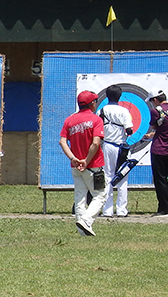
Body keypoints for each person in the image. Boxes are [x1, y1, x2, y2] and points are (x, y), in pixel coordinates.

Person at [59, 90, 106, 236]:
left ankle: (82, 231)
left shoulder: (70, 120)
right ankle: (86, 221)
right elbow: (96, 142)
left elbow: (62, 141)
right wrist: (86, 160)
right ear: (92, 104)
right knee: (100, 195)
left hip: (76, 166)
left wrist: (73, 158)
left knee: (80, 196)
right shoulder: (96, 120)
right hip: (93, 165)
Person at [98, 85, 133, 217]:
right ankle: (122, 210)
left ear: (107, 96)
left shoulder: (101, 110)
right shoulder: (124, 111)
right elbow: (129, 130)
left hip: (107, 145)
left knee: (107, 176)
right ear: (119, 96)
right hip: (120, 147)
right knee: (122, 177)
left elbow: (99, 127)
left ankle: (107, 210)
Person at [143, 88, 168, 216]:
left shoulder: (155, 111)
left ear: (156, 100)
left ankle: (164, 207)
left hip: (159, 149)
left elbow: (155, 126)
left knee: (160, 179)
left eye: (152, 101)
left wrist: (153, 133)